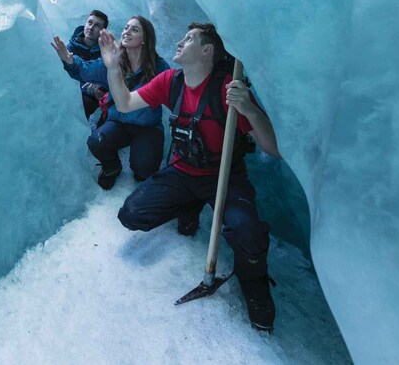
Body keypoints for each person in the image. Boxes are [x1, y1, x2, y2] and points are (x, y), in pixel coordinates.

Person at [98, 22, 282, 332]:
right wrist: (113, 69)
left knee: (247, 231)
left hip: (223, 176)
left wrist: (248, 109)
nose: (180, 42)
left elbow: (273, 149)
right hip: (182, 172)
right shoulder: (171, 81)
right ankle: (189, 206)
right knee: (131, 214)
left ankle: (256, 286)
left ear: (208, 50)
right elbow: (125, 103)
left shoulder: (229, 89)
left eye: (190, 39)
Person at [51, 16, 170, 189]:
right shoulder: (114, 61)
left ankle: (141, 170)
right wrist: (69, 60)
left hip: (147, 126)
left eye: (134, 29)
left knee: (144, 169)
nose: (127, 31)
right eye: (126, 27)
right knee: (96, 142)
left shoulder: (159, 67)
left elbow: (175, 90)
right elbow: (87, 70)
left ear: (145, 40)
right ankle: (111, 167)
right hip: (119, 122)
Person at [63, 10, 109, 118]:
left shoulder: (105, 52)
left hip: (92, 98)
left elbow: (112, 76)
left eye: (97, 25)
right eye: (90, 22)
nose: (91, 27)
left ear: (103, 31)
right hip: (71, 94)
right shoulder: (69, 48)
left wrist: (100, 87)